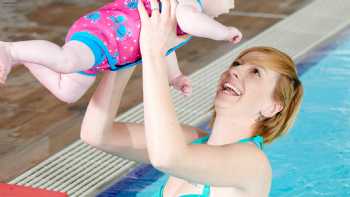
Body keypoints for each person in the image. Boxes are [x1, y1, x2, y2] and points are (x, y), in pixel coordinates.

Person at [80, 0, 303, 196]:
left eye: (256, 73)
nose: (234, 71)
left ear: (272, 107)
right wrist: (133, 43)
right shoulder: (189, 140)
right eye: (237, 64)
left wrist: (153, 53)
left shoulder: (253, 164)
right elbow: (97, 134)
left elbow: (167, 158)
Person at [0, 0, 241, 103]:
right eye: (229, 1)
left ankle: (28, 56)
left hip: (107, 53)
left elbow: (166, 47)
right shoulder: (186, 6)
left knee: (67, 93)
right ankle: (9, 49)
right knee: (66, 61)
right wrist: (222, 32)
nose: (230, 7)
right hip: (103, 35)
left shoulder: (180, 17)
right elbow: (192, 21)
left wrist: (175, 77)